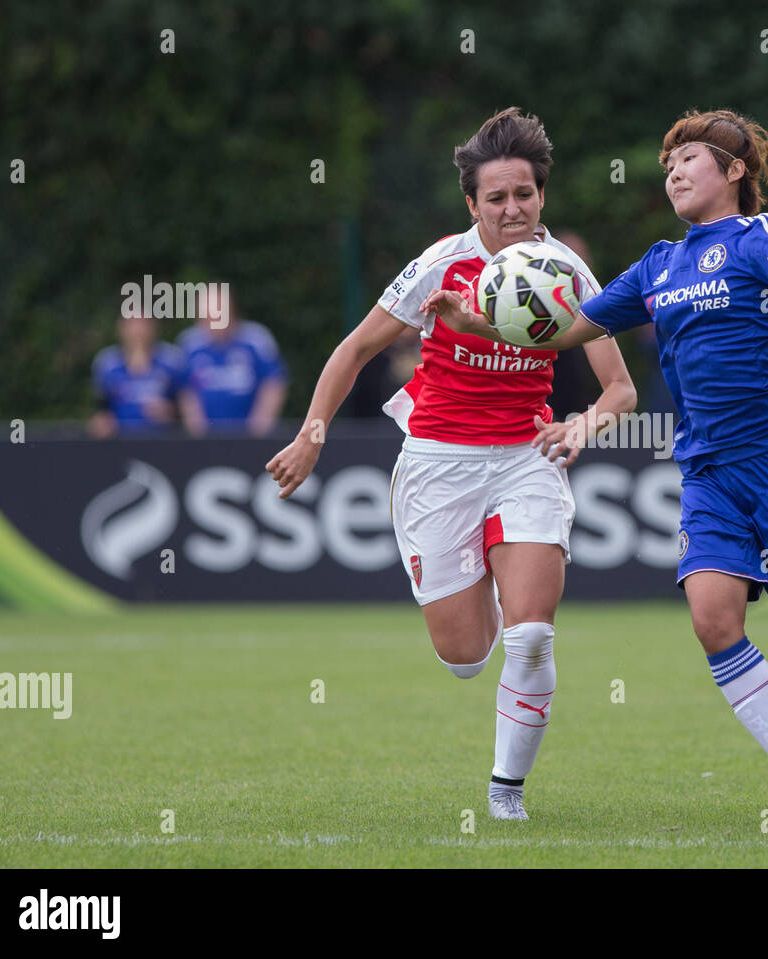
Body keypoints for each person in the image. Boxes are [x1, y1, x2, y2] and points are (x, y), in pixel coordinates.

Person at [427, 109, 768, 831]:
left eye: (690, 159)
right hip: (707, 471)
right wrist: (478, 323)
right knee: (711, 619)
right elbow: (573, 327)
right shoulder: (658, 265)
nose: (673, 172)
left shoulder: (759, 235)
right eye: (667, 163)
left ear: (734, 172)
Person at [265, 108, 637, 820]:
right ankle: (492, 577)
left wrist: (583, 424)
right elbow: (354, 350)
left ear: (541, 196)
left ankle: (506, 795)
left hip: (527, 459)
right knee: (466, 655)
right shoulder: (442, 263)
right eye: (495, 198)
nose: (511, 209)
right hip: (439, 461)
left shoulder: (567, 272)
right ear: (472, 204)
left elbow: (620, 388)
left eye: (523, 194)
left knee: (529, 638)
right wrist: (313, 434)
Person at [178, 288, 288, 436]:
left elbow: (274, 383)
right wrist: (199, 433)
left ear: (231, 311)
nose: (213, 320)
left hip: (251, 436)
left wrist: (258, 430)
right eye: (207, 315)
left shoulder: (256, 339)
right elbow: (185, 390)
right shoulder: (189, 343)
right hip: (206, 440)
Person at [90, 308, 187, 437]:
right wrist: (102, 423)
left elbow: (186, 408)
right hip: (120, 443)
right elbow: (101, 409)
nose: (138, 330)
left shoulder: (172, 360)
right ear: (120, 328)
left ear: (154, 326)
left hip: (163, 441)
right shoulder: (107, 363)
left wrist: (170, 412)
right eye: (132, 324)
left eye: (143, 323)